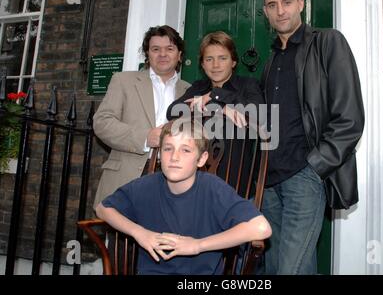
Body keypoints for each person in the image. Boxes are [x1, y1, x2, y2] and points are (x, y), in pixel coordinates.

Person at [260, 0, 364, 275]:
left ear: (301, 4)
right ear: (266, 12)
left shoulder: (328, 42)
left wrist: (315, 167)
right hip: (268, 184)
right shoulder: (271, 62)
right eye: (272, 5)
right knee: (279, 269)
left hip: (303, 178)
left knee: (289, 271)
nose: (280, 11)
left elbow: (350, 118)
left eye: (287, 2)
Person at [95, 118, 272, 275]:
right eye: (168, 149)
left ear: (202, 159)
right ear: (159, 155)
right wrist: (139, 233)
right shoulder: (145, 186)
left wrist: (197, 245)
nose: (174, 157)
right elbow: (103, 208)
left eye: (186, 150)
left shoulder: (213, 189)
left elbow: (261, 227)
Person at [93, 25, 190, 208]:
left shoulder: (190, 90)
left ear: (179, 55)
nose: (163, 54)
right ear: (147, 54)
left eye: (169, 49)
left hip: (174, 179)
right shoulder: (123, 81)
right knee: (120, 237)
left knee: (164, 235)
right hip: (128, 177)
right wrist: (145, 137)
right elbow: (102, 122)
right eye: (155, 49)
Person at [166, 31, 264, 186]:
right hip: (196, 181)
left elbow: (258, 114)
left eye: (222, 58)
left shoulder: (248, 85)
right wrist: (221, 108)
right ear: (203, 64)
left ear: (233, 62)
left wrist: (215, 95)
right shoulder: (198, 87)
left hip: (236, 183)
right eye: (209, 59)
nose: (216, 65)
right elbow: (173, 111)